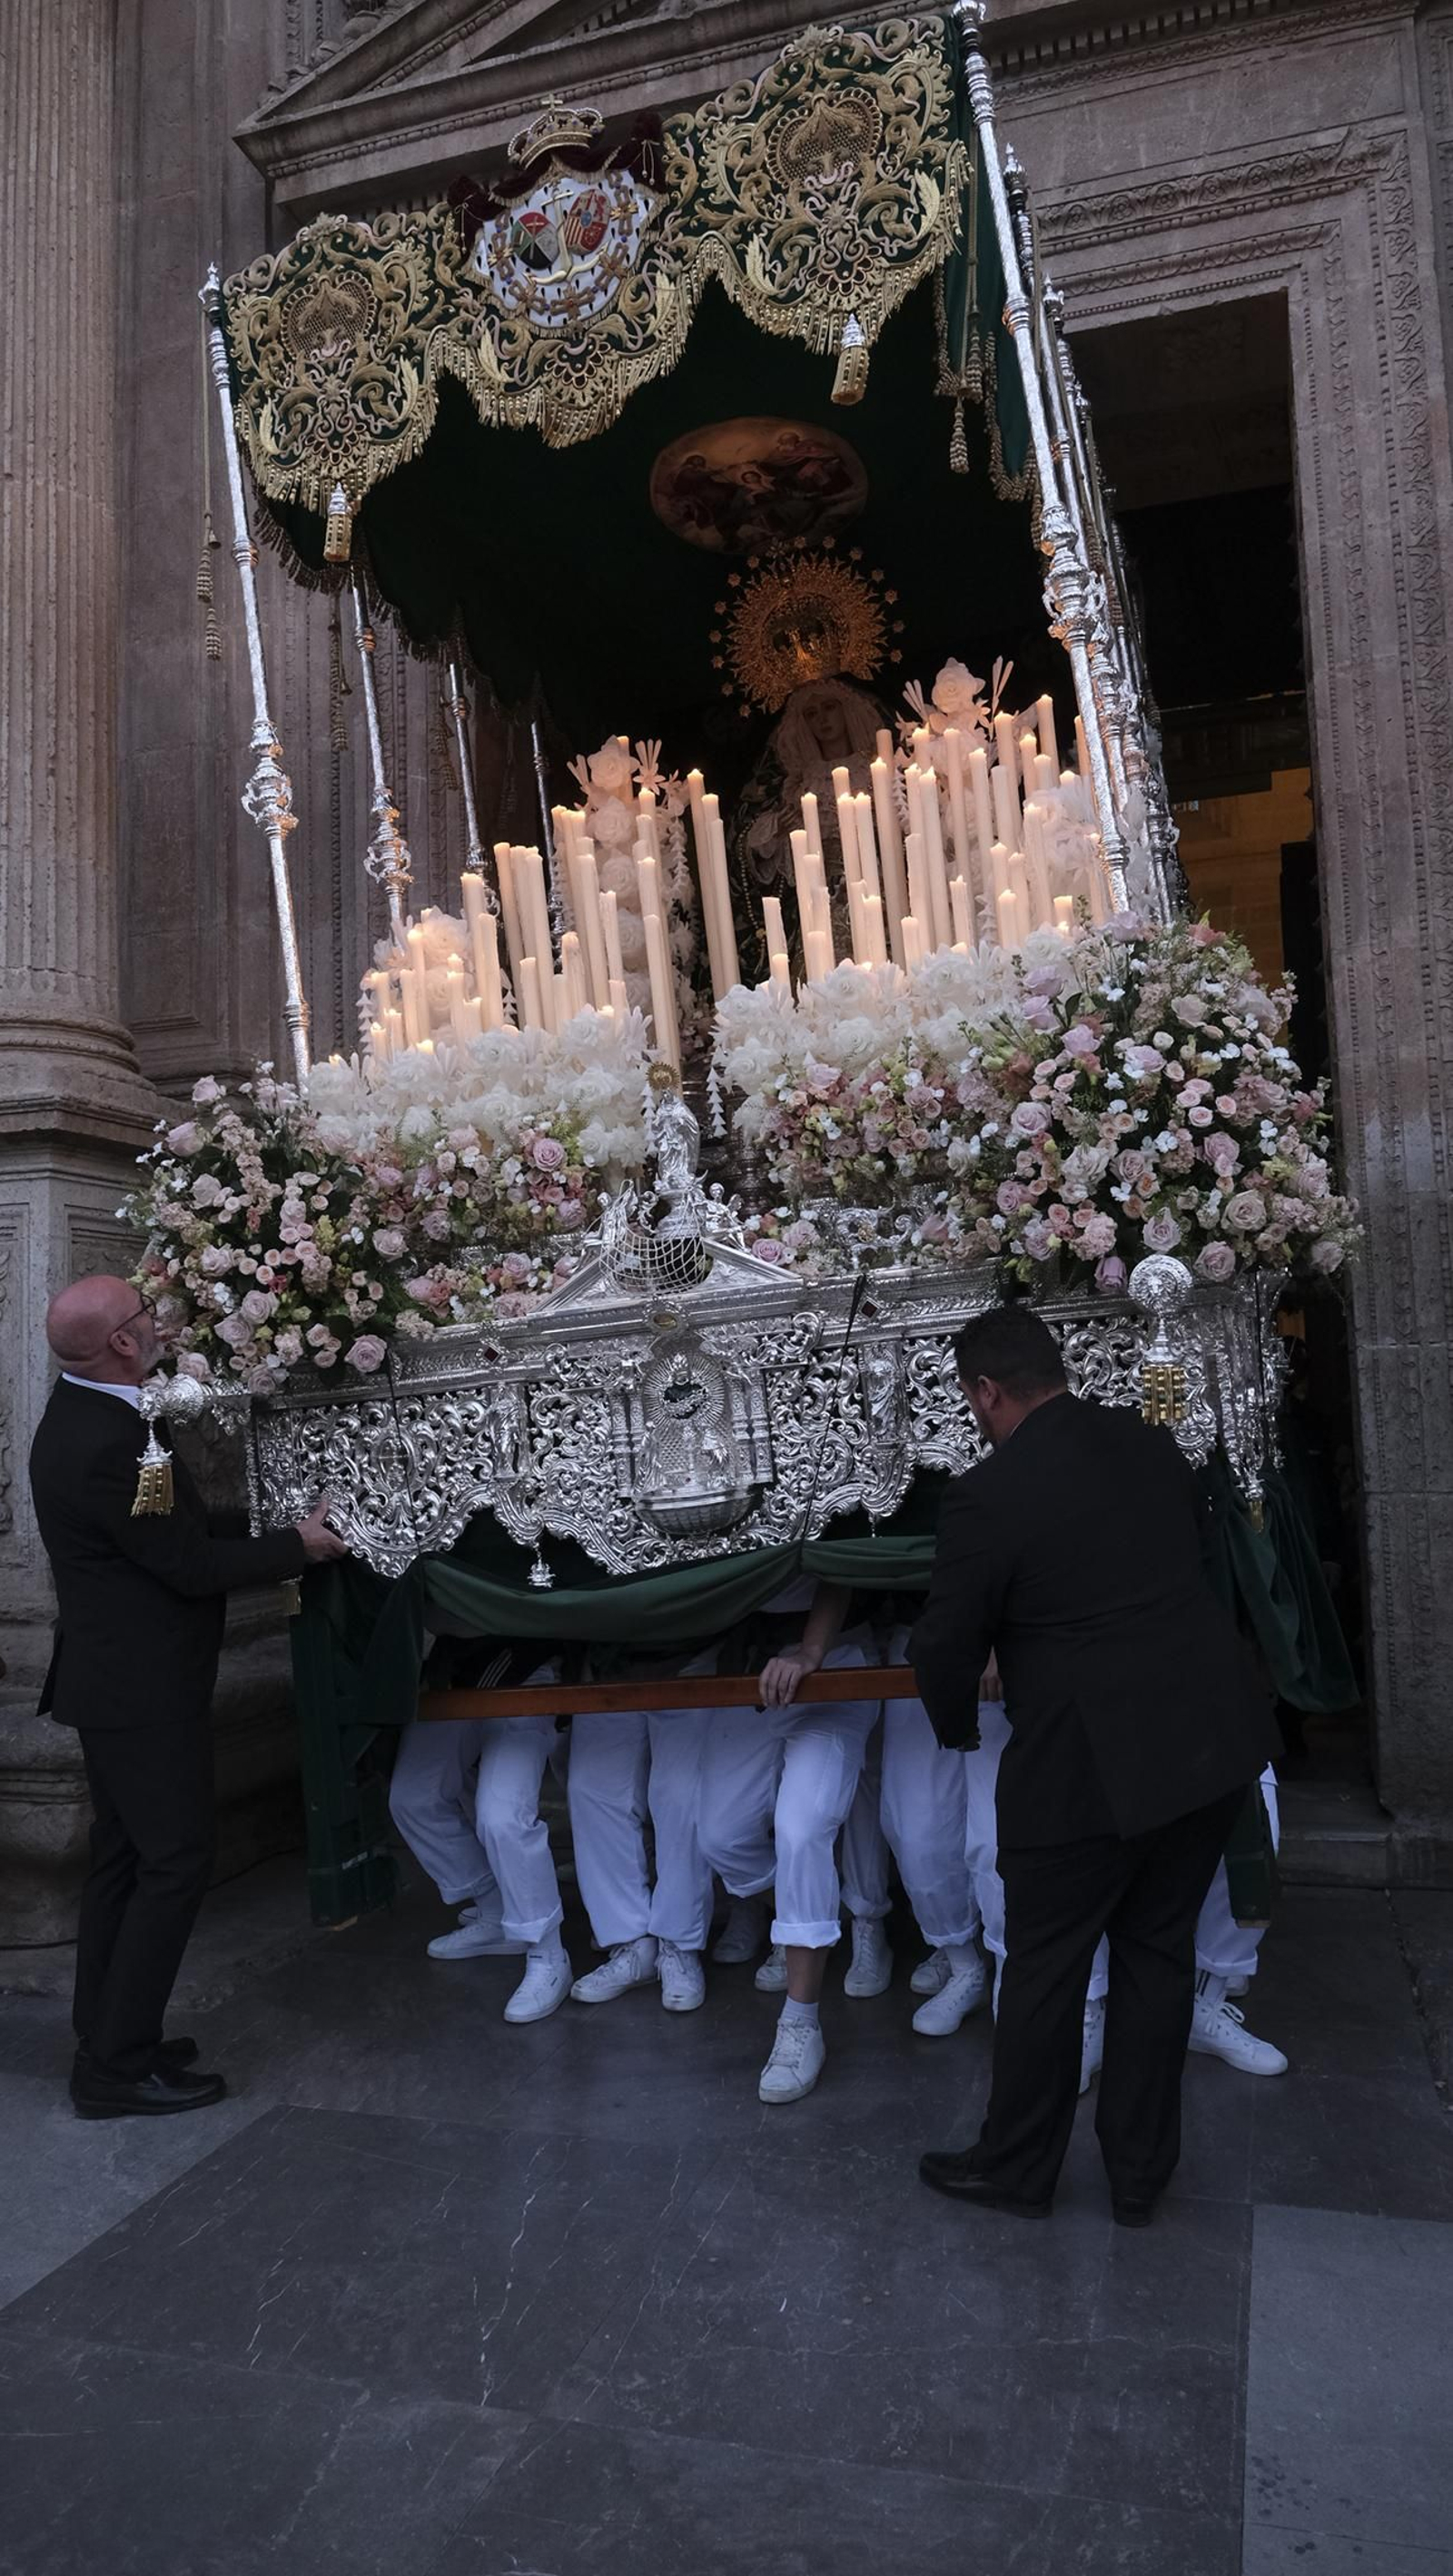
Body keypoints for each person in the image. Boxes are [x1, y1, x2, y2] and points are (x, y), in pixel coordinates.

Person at [911, 1306, 1272, 2226]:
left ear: (986, 1390)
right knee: (1157, 1954)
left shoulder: (988, 1494)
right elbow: (1190, 1567)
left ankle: (1017, 2166)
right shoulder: (1151, 1444)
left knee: (1044, 1966)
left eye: (973, 1401)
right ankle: (1140, 2175)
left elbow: (945, 1643)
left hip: (1084, 1764)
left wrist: (956, 1725)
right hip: (1202, 1743)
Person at [29, 1275, 347, 2120]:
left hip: (120, 1681)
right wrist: (299, 1548)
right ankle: (115, 2067)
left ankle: (109, 2034)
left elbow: (175, 1528)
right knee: (173, 1864)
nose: (160, 1320)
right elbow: (189, 1566)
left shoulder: (103, 1410)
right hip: (139, 1689)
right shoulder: (104, 1438)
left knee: (125, 1861)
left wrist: (274, 1521)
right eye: (145, 1311)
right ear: (121, 1342)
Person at [697, 1578, 879, 2104]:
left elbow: (837, 1561)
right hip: (749, 1666)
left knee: (801, 1831)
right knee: (721, 1836)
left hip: (834, 1661)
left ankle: (800, 2022)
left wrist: (812, 1649)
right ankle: (805, 1912)